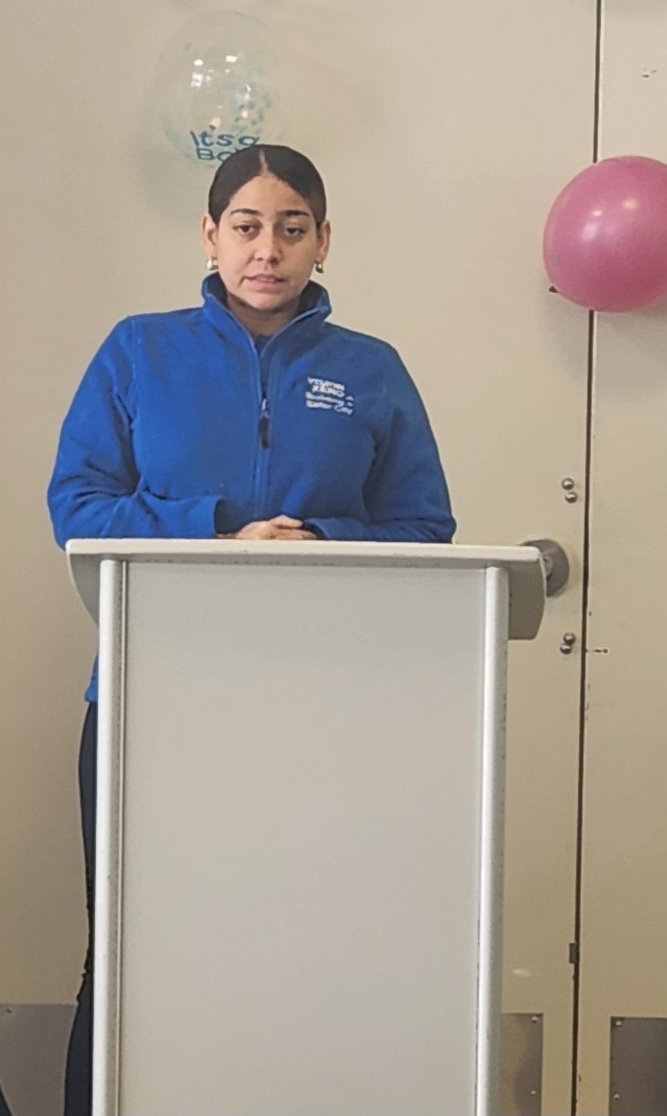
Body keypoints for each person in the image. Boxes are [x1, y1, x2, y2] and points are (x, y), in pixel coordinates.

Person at [47, 144, 455, 1115]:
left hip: (321, 709)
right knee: (130, 947)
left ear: (323, 240)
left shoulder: (370, 369)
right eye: (246, 226)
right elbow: (79, 504)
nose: (267, 250)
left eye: (291, 228)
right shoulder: (137, 352)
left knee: (299, 940)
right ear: (209, 233)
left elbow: (424, 524)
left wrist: (322, 539)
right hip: (153, 701)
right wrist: (222, 527)